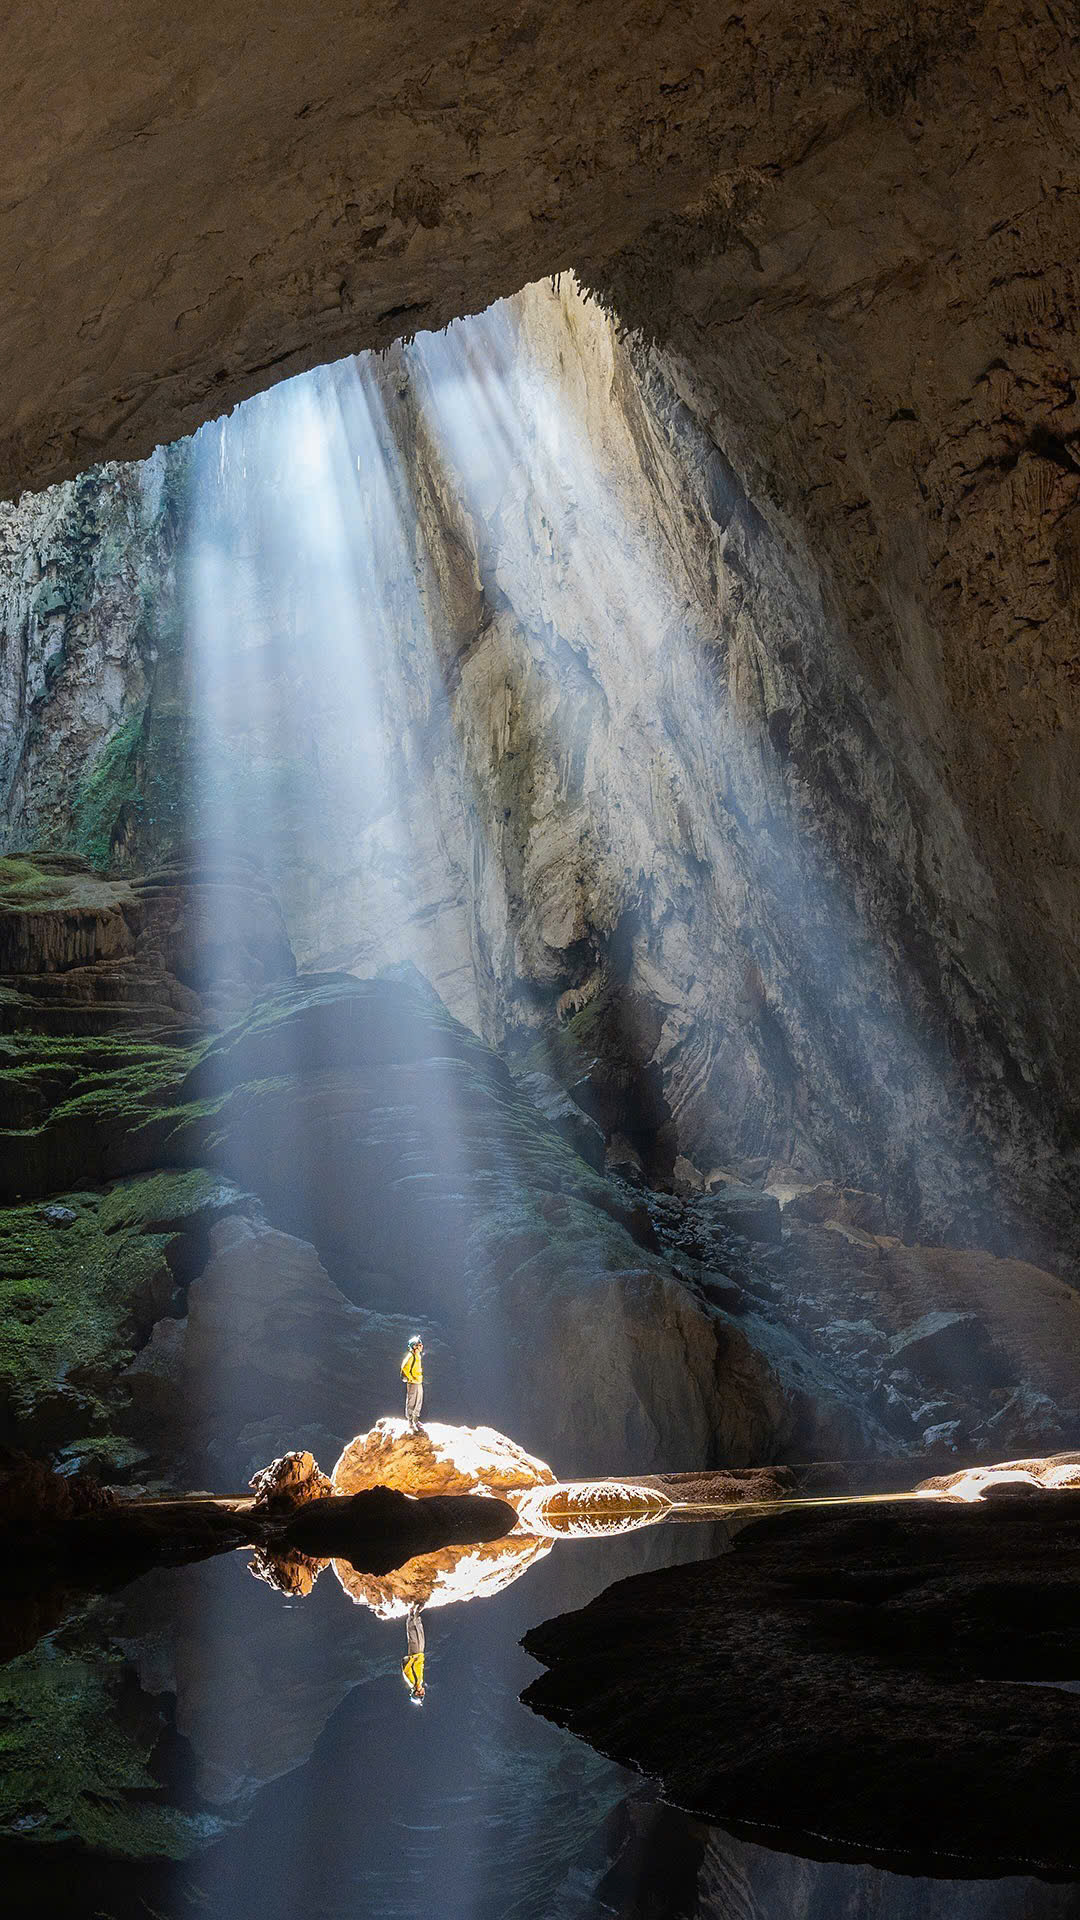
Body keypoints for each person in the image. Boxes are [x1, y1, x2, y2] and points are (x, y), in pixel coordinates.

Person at [401, 1604, 426, 1704]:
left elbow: (406, 1670)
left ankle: (411, 1615)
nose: (423, 1692)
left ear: (417, 1693)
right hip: (420, 1656)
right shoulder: (419, 1682)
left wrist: (412, 1658)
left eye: (421, 1694)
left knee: (413, 1635)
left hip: (415, 1655)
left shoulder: (412, 1682)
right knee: (420, 1634)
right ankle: (417, 1614)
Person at [401, 1335, 424, 1429]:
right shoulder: (411, 1356)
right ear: (414, 1346)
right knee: (412, 1401)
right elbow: (404, 1368)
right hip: (413, 1382)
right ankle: (410, 1420)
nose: (421, 1346)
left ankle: (416, 1419)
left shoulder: (417, 1356)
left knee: (419, 1400)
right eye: (419, 1345)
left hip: (418, 1381)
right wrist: (411, 1378)